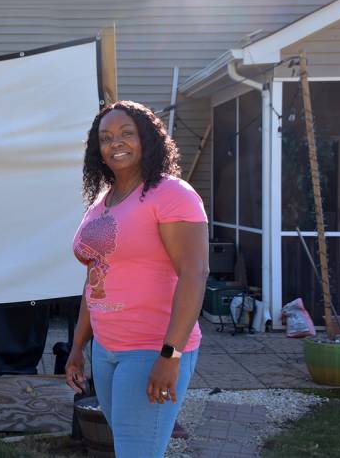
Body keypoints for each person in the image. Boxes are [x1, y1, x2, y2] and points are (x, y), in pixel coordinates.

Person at [66, 100, 209, 457]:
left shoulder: (172, 194)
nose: (116, 142)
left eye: (127, 133)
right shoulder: (103, 200)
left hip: (150, 349)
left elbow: (195, 273)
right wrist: (77, 347)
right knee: (132, 448)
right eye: (106, 137)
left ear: (147, 139)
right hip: (106, 350)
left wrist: (170, 355)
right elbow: (94, 278)